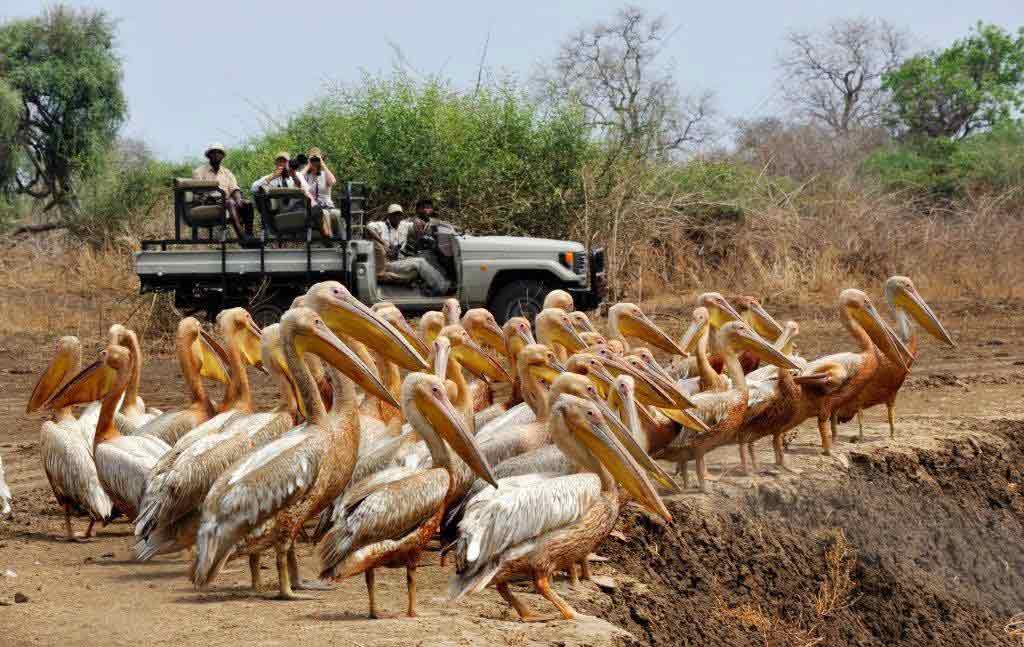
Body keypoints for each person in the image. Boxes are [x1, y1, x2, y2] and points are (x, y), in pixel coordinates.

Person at [192, 143, 256, 246]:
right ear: (209, 155)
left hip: (225, 202)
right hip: (208, 202)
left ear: (222, 156)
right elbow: (198, 191)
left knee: (247, 204)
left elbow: (234, 189)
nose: (216, 155)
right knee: (230, 202)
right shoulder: (199, 172)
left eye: (219, 152)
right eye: (213, 152)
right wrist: (214, 196)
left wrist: (239, 200)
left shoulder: (227, 172)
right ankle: (242, 237)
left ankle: (249, 236)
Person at [300, 147, 338, 238]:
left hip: (327, 205)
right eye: (312, 160)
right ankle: (328, 237)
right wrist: (308, 166)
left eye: (316, 159)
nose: (314, 162)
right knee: (323, 213)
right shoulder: (306, 176)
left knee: (330, 213)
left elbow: (333, 182)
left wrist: (322, 163)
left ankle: (332, 237)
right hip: (312, 207)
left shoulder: (325, 174)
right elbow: (297, 179)